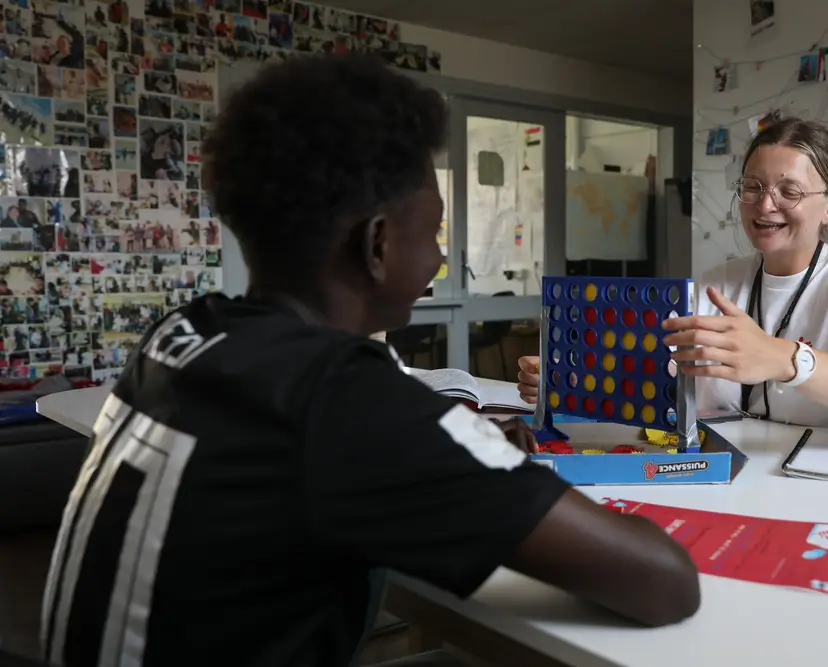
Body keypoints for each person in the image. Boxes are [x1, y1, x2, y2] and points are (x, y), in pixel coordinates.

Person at [40, 54, 700, 667]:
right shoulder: (350, 401)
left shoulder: (186, 332)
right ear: (378, 244)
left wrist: (437, 440)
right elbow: (665, 582)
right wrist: (438, 439)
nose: (440, 260)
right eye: (433, 233)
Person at [518, 117, 828, 436]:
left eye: (789, 191)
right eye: (752, 187)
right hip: (738, 478)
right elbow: (647, 374)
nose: (764, 205)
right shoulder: (718, 285)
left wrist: (785, 360)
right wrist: (567, 379)